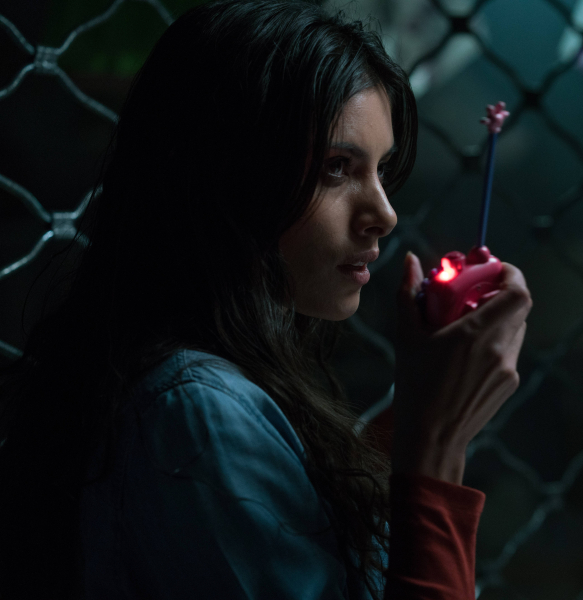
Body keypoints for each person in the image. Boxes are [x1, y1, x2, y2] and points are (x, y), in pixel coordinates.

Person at [0, 1, 531, 598]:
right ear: (226, 175)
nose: (384, 214)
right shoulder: (195, 412)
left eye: (381, 170)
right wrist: (437, 443)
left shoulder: (198, 390)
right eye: (337, 168)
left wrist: (419, 413)